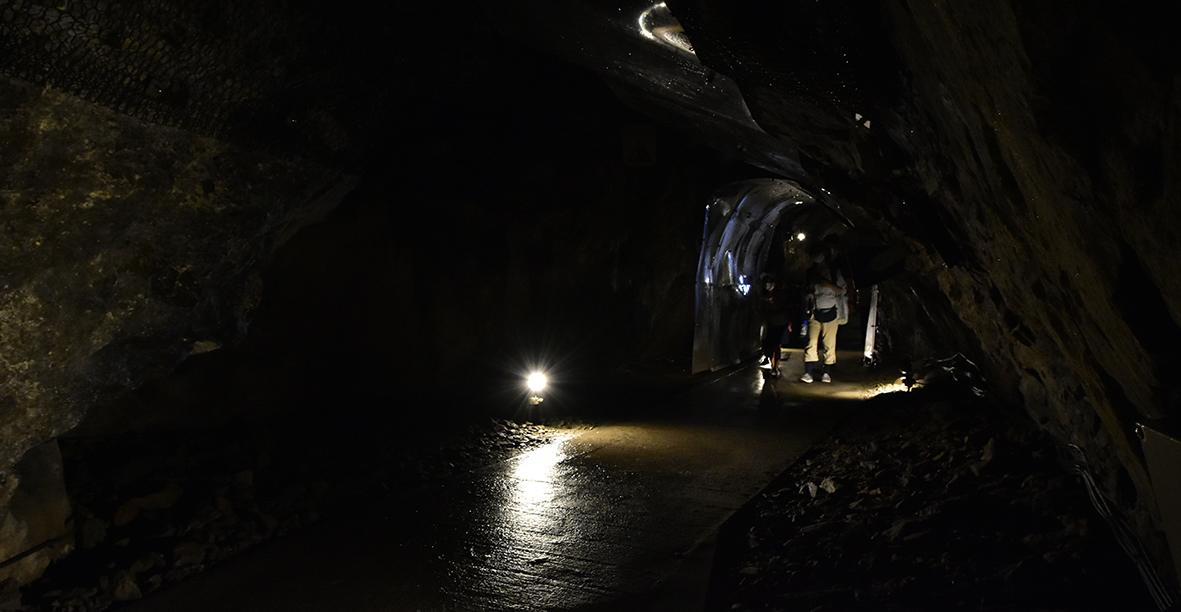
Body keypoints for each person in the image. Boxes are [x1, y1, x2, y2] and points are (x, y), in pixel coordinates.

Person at [801, 236, 853, 383]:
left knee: (829, 343)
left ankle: (826, 372)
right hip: (814, 312)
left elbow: (841, 291)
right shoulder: (810, 273)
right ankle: (808, 373)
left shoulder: (834, 273)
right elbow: (804, 290)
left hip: (831, 311)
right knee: (811, 342)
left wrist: (828, 285)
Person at [759, 273, 790, 378]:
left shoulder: (780, 295)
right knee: (768, 345)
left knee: (776, 345)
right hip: (769, 323)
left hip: (779, 323)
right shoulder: (763, 295)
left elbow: (785, 309)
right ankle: (771, 363)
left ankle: (775, 367)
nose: (767, 284)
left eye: (769, 282)